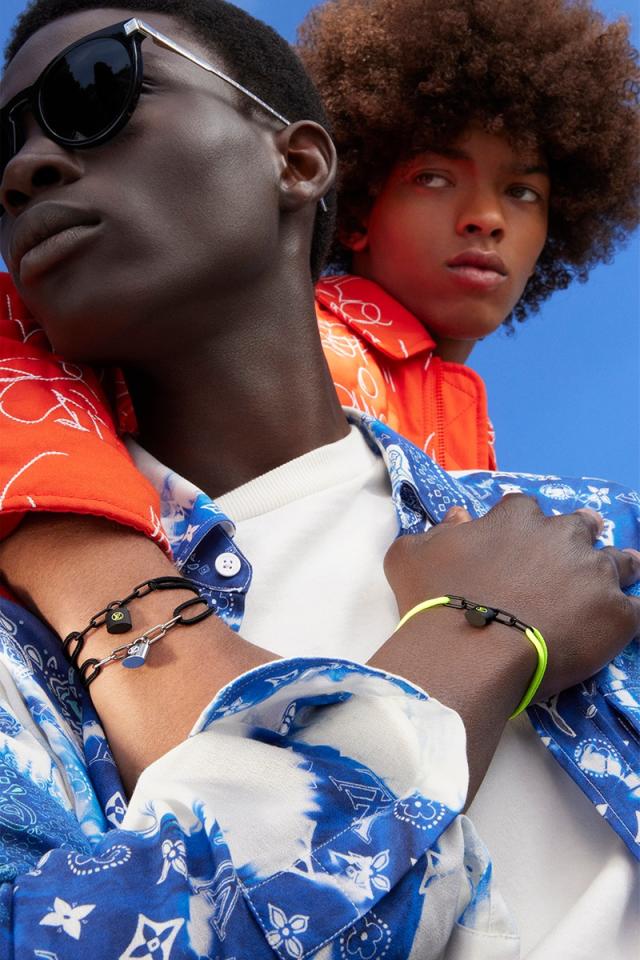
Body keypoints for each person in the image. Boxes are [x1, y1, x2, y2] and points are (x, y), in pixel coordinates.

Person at [0, 1, 639, 958]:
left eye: (97, 89)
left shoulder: (598, 535)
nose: (23, 170)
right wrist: (472, 643)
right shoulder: (24, 667)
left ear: (298, 161)